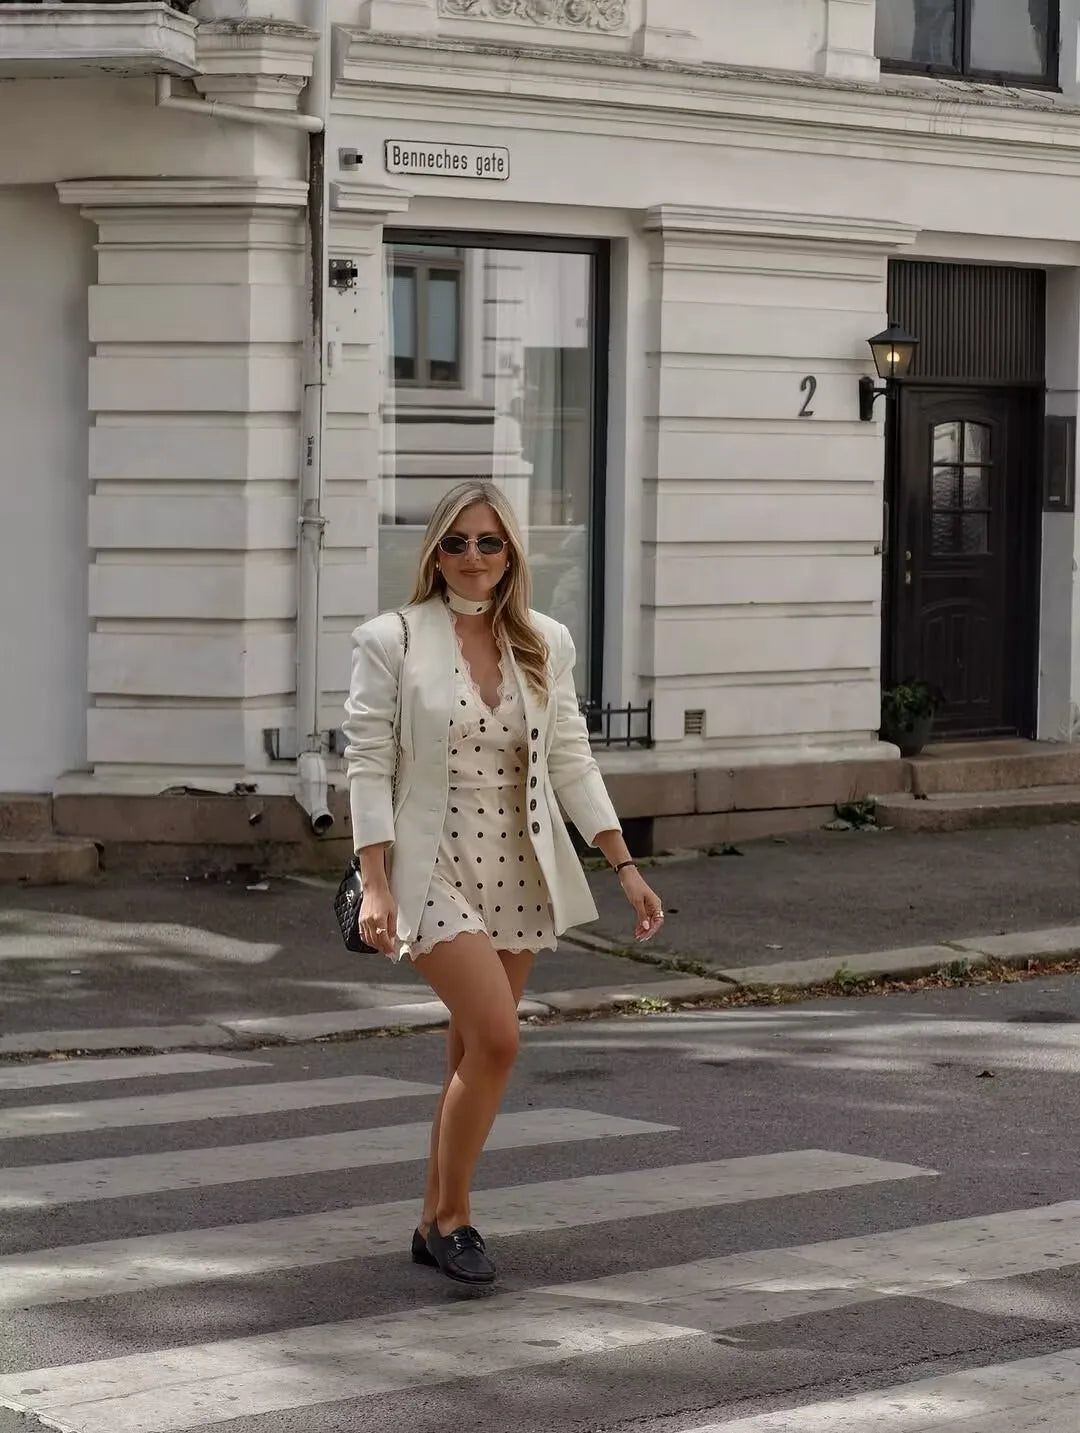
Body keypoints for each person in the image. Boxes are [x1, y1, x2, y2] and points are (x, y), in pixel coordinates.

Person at [342, 481, 664, 1293]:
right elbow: (367, 763)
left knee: (469, 1046)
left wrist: (621, 862)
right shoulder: (391, 639)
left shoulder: (544, 641)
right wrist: (373, 882)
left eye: (490, 542)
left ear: (511, 550)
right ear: (435, 552)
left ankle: (428, 1220)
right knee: (498, 1038)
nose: (475, 557)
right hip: (430, 865)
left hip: (517, 862)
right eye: (458, 542)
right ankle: (455, 1218)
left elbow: (571, 759)